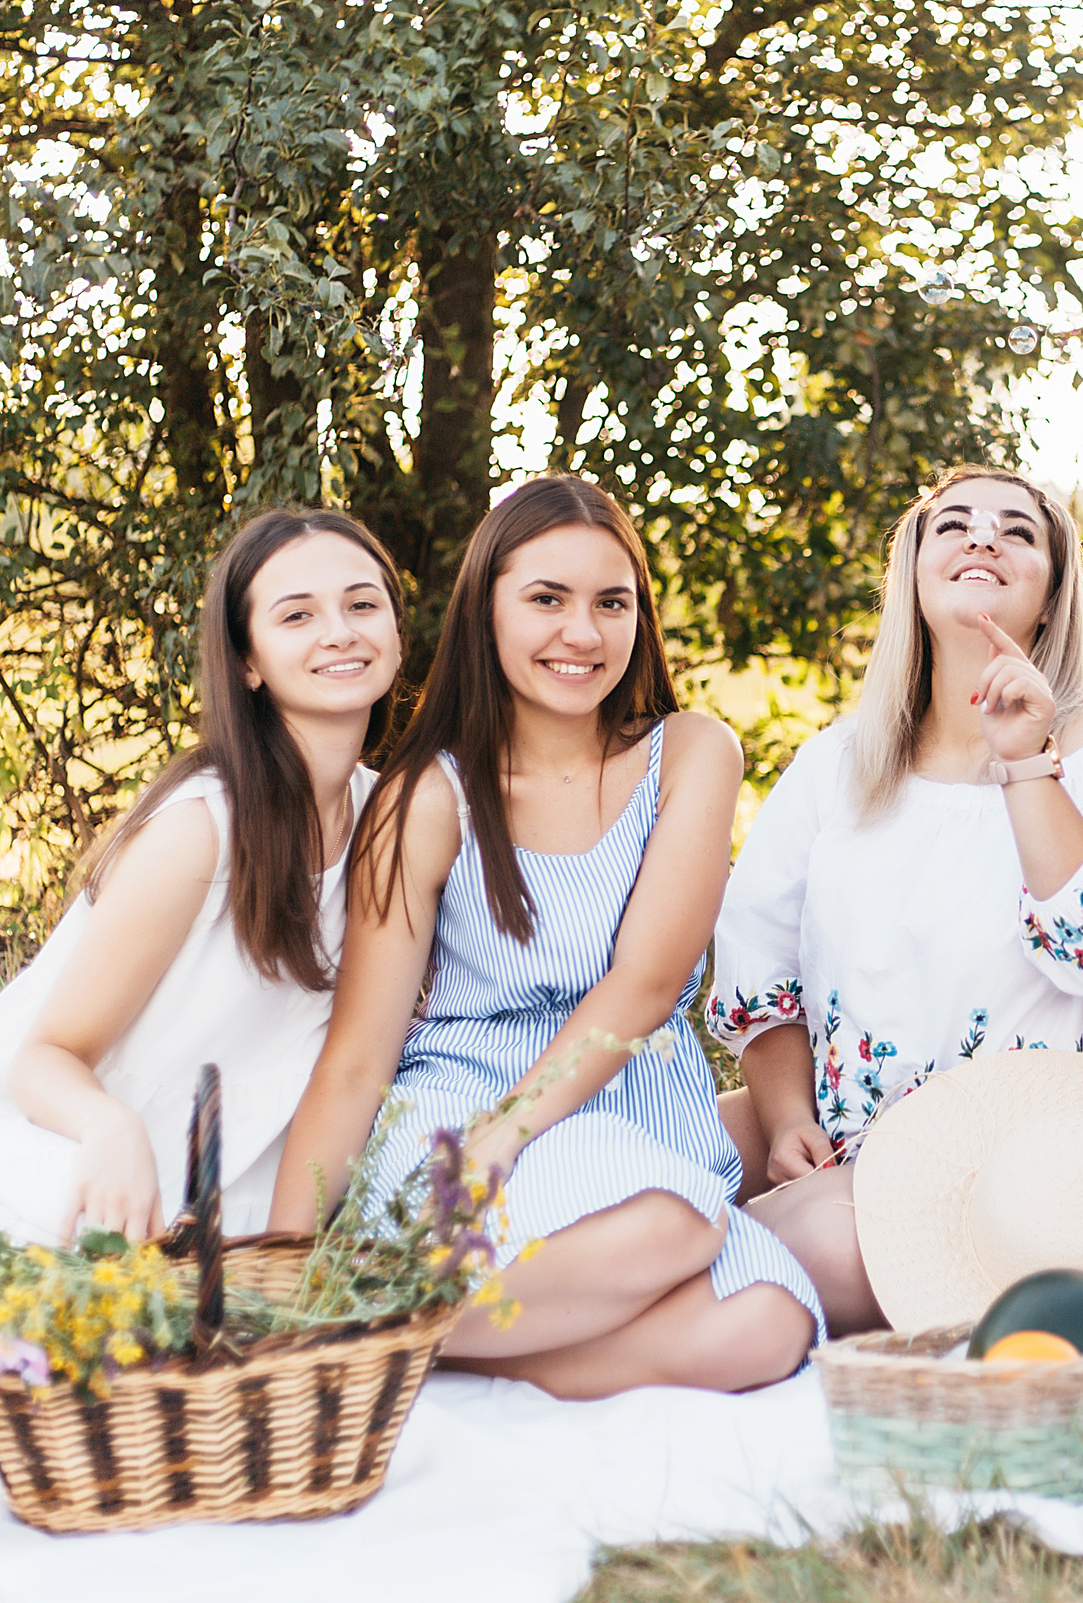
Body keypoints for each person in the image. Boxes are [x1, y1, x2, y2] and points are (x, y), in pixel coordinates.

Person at [270, 476, 819, 1399]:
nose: (584, 632)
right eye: (547, 599)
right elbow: (358, 1059)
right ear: (487, 611)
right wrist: (279, 1261)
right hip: (465, 1118)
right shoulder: (431, 796)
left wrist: (515, 1127)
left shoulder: (689, 753)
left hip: (626, 1114)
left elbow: (646, 984)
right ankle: (322, 1311)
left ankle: (381, 1339)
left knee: (770, 1324)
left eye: (612, 603)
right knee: (671, 1225)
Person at [712, 467, 1083, 1335]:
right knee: (652, 1159)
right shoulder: (839, 765)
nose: (983, 536)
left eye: (1019, 531)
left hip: (1041, 1180)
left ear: (1052, 595)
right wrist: (787, 1115)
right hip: (857, 1142)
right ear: (912, 571)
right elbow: (760, 961)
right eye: (953, 523)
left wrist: (1025, 760)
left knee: (796, 1250)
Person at [0, 509, 402, 1243]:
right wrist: (109, 1129)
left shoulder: (392, 818)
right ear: (248, 662)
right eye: (297, 615)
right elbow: (45, 1059)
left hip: (231, 1173)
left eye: (362, 604)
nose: (339, 632)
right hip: (58, 1145)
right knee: (103, 1245)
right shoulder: (202, 827)